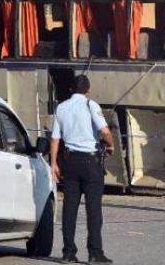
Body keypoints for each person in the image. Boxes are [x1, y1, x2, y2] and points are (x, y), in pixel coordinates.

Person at [50, 74, 115, 264]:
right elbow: (104, 131)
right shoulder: (91, 105)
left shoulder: (61, 108)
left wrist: (54, 163)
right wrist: (111, 145)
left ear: (71, 89)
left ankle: (68, 252)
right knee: (93, 210)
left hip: (69, 161)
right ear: (88, 90)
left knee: (69, 208)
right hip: (90, 162)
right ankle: (95, 253)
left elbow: (55, 139)